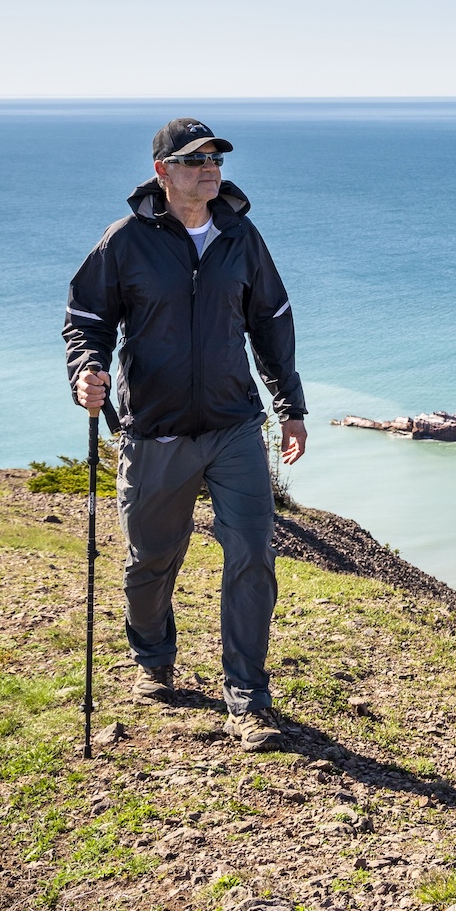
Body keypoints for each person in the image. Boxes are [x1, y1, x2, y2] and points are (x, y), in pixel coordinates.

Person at [63, 118, 309, 752]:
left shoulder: (240, 236)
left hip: (234, 426)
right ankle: (152, 653)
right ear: (162, 171)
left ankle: (248, 696)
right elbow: (86, 319)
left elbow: (272, 322)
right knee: (151, 561)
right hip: (156, 432)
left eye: (216, 158)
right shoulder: (125, 242)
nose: (210, 167)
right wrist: (85, 372)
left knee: (252, 554)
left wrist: (291, 407)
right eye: (195, 158)